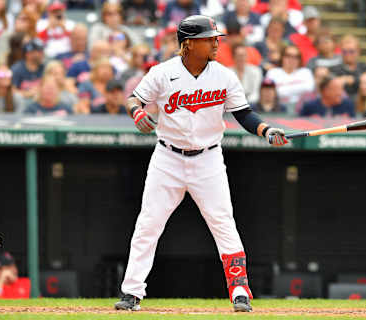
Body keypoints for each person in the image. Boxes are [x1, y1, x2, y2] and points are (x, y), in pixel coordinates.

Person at [114, 15, 288, 313]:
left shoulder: (224, 75)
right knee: (148, 224)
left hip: (208, 158)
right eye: (210, 38)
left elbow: (244, 115)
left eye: (215, 37)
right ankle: (131, 293)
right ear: (189, 44)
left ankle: (240, 292)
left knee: (223, 223)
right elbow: (133, 99)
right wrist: (137, 114)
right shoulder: (163, 72)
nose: (216, 42)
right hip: (167, 158)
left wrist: (266, 130)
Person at [265, 44, 314, 113]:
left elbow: (309, 89)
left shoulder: (305, 72)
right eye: (288, 56)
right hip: (278, 109)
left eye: (296, 57)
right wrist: (299, 88)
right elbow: (269, 94)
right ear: (282, 57)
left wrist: (282, 89)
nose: (291, 59)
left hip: (301, 109)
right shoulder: (273, 72)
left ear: (299, 59)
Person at [330, 35, 366, 99]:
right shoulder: (333, 69)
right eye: (344, 52)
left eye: (351, 51)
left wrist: (352, 80)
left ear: (359, 51)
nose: (348, 54)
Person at [11, 37, 45, 107]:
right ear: (28, 54)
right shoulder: (17, 69)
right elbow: (12, 91)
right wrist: (28, 93)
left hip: (41, 102)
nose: (42, 54)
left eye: (41, 51)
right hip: (24, 103)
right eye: (39, 51)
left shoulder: (45, 67)